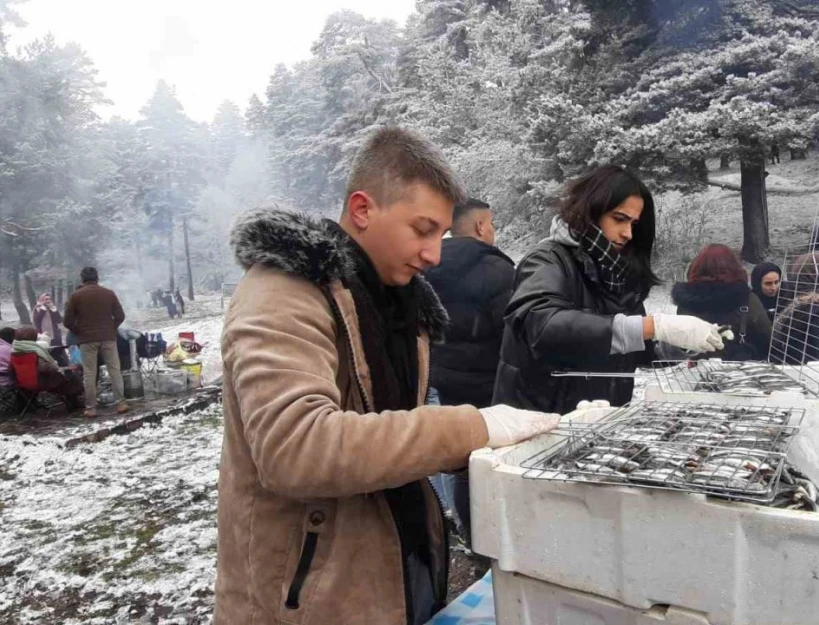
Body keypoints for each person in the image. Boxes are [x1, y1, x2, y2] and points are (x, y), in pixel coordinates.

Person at [215, 127, 560, 625]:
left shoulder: (403, 303)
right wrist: (472, 428)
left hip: (393, 570)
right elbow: (296, 448)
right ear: (362, 210)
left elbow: (395, 432)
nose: (434, 255)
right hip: (306, 597)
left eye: (440, 235)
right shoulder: (284, 289)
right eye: (421, 229)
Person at [493, 164, 724, 414]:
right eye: (619, 219)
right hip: (541, 419)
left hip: (600, 417)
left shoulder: (618, 271)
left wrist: (676, 341)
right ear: (590, 210)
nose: (627, 234)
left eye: (634, 225)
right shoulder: (547, 260)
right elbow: (542, 325)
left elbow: (631, 345)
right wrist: (654, 325)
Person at [424, 198, 514, 408]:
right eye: (491, 223)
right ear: (480, 226)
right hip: (488, 386)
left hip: (438, 381)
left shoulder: (426, 265)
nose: (493, 229)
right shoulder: (496, 269)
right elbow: (512, 333)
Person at [670, 244, 772, 361]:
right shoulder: (748, 299)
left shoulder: (686, 301)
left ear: (696, 268)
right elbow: (767, 340)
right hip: (741, 371)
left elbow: (680, 342)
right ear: (735, 268)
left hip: (697, 369)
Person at [63, 267, 128, 417]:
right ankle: (121, 403)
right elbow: (120, 315)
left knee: (90, 373)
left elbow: (67, 321)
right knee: (115, 371)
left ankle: (91, 408)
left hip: (87, 340)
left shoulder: (75, 296)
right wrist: (111, 328)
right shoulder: (108, 293)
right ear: (97, 278)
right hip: (108, 338)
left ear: (82, 279)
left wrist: (79, 330)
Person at [11, 326, 84, 410]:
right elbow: (45, 368)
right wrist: (57, 367)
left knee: (65, 374)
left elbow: (11, 369)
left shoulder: (15, 351)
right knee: (69, 376)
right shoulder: (34, 351)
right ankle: (73, 403)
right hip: (41, 382)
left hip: (22, 383)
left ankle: (28, 405)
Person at [33, 293, 68, 366]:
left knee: (59, 352)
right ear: (42, 300)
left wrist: (54, 310)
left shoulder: (52, 308)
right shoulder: (37, 308)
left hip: (55, 334)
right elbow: (36, 321)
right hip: (43, 335)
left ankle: (65, 366)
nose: (48, 301)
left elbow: (59, 320)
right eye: (46, 299)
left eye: (49, 299)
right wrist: (43, 310)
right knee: (46, 352)